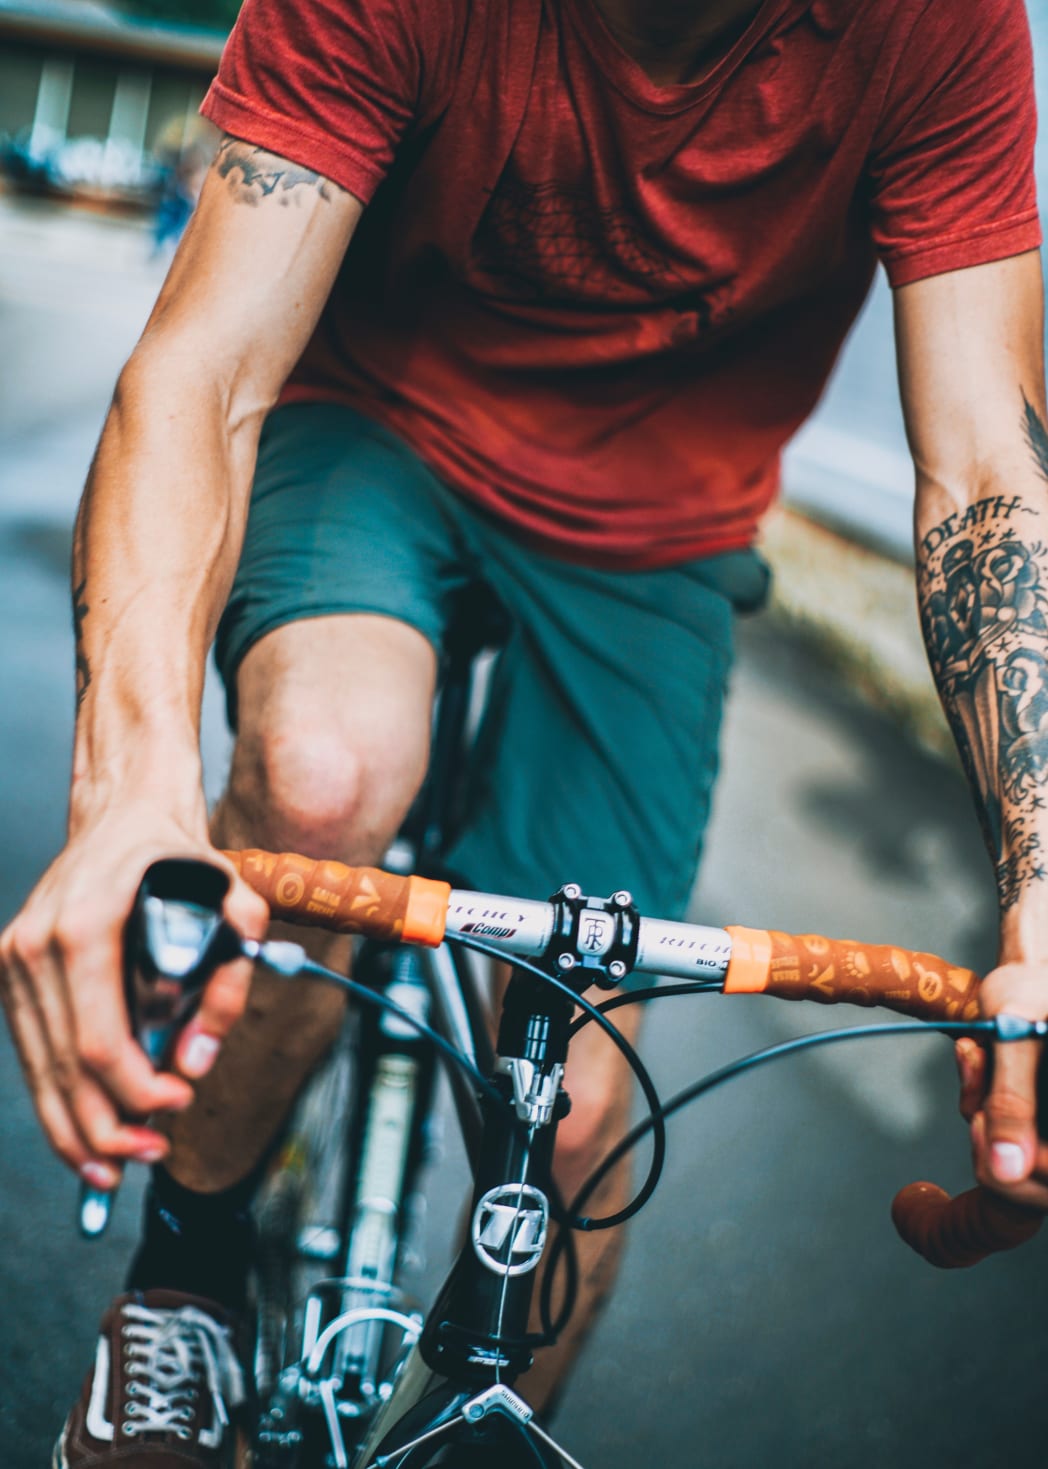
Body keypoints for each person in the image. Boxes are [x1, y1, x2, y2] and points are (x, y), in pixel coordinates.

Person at [2, 0, 1047, 1463]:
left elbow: (986, 470)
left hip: (656, 530)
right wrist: (130, 799)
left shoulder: (946, 28)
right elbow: (202, 370)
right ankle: (185, 1276)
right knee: (318, 778)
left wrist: (1042, 893)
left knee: (578, 1115)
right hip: (372, 425)